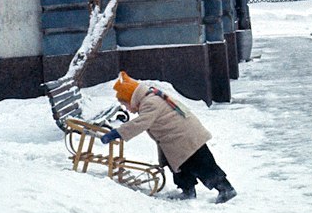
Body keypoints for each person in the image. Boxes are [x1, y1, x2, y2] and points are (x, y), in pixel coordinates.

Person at [100, 71, 237, 203]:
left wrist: (117, 133)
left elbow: (140, 123)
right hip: (178, 139)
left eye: (125, 105)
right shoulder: (151, 96)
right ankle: (187, 190)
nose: (127, 109)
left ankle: (226, 189)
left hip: (185, 138)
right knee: (180, 166)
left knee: (203, 166)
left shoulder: (150, 102)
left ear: (131, 98)